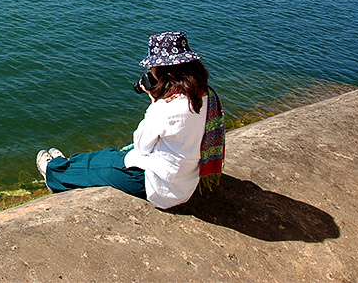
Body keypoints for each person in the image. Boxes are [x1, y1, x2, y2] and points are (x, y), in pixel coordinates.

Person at [36, 31, 224, 209]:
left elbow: (141, 145)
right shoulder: (207, 96)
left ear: (164, 70)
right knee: (108, 156)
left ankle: (53, 171)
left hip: (157, 187)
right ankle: (65, 162)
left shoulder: (166, 108)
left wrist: (153, 102)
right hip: (185, 183)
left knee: (101, 165)